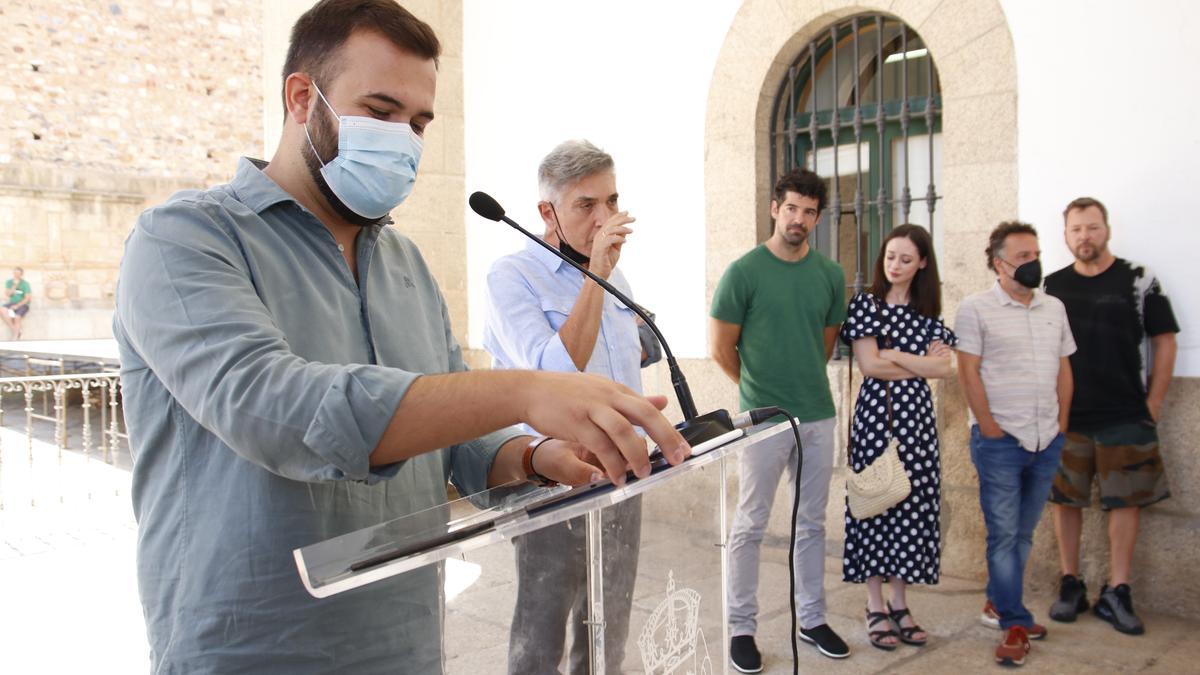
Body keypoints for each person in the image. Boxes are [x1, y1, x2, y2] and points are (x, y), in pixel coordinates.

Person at [112, 2, 688, 672]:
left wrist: (536, 456)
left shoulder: (407, 266)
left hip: (407, 645)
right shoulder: (185, 240)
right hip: (253, 650)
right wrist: (526, 390)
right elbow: (277, 410)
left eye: (419, 123)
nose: (406, 139)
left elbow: (461, 445)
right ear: (303, 97)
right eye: (381, 112)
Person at [484, 139, 652, 674]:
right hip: (551, 480)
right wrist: (596, 271)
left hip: (624, 473)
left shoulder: (616, 277)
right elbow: (555, 375)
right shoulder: (510, 277)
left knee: (609, 625)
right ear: (547, 212)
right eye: (586, 205)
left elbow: (627, 362)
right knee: (542, 632)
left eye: (612, 200)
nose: (606, 219)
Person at [710, 168, 850, 671]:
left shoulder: (830, 276)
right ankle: (741, 628)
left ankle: (811, 619)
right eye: (791, 208)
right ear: (775, 208)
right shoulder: (744, 271)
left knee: (811, 523)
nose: (800, 219)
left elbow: (825, 344)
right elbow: (722, 349)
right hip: (765, 421)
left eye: (809, 211)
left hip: (818, 416)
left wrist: (797, 381)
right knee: (750, 524)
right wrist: (757, 392)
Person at [1044, 197, 1178, 635]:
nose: (1085, 236)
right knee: (1065, 500)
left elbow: (1165, 340)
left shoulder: (1139, 279)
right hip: (1067, 417)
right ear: (1066, 236)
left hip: (1125, 413)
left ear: (1107, 230)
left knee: (1127, 503)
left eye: (1093, 227)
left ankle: (1117, 590)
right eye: (1077, 229)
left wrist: (1153, 404)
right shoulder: (1050, 287)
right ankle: (1071, 583)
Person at [955, 221, 1075, 668]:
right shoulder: (976, 308)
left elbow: (1064, 367)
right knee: (1004, 534)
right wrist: (988, 427)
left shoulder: (1054, 308)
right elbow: (968, 371)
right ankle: (1015, 623)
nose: (1033, 263)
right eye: (1023, 257)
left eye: (1036, 253)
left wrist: (1062, 422)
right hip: (1000, 441)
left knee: (1022, 533)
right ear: (998, 263)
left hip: (1047, 438)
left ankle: (997, 603)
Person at [839, 224, 956, 651]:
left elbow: (945, 369)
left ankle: (900, 603)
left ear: (922, 262)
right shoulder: (867, 304)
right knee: (874, 504)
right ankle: (874, 604)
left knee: (912, 509)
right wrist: (916, 363)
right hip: (877, 422)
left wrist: (894, 355)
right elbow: (870, 365)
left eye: (906, 259)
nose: (896, 265)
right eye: (891, 257)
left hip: (918, 428)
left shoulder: (928, 311)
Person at [2, 267, 31, 340]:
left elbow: (27, 298)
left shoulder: (25, 284)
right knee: (2, 309)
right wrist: (14, 286)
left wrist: (17, 306)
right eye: (15, 273)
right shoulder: (9, 282)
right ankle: (15, 330)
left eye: (18, 273)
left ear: (21, 274)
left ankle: (15, 337)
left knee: (17, 317)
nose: (16, 275)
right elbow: (8, 294)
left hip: (23, 304)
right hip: (12, 302)